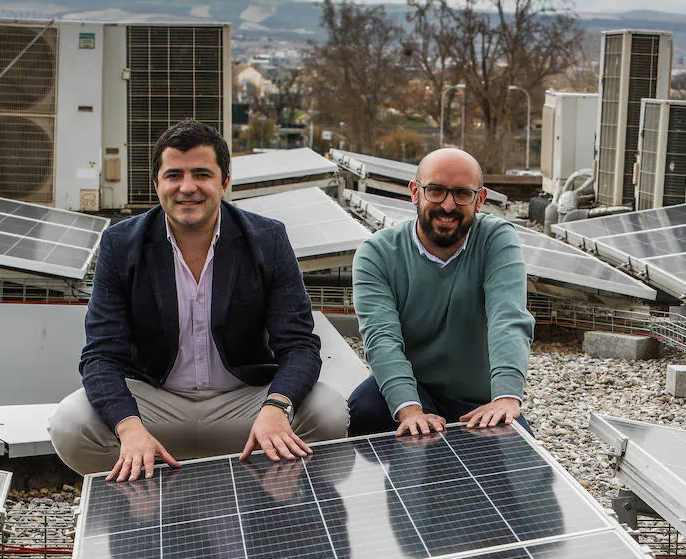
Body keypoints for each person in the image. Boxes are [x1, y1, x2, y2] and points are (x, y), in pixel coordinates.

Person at [49, 119, 348, 480]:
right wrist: (129, 428)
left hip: (244, 400)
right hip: (156, 404)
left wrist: (276, 407)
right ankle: (142, 498)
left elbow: (299, 344)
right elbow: (100, 354)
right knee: (70, 424)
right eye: (174, 175)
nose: (187, 187)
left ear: (224, 183)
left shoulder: (267, 239)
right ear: (157, 183)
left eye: (201, 174)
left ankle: (267, 501)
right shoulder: (121, 243)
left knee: (329, 413)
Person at [348, 147, 535, 438]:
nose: (448, 206)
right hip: (414, 386)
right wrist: (409, 411)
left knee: (524, 465)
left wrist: (506, 397)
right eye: (435, 191)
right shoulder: (377, 254)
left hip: (474, 398)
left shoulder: (495, 239)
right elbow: (381, 338)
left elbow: (508, 318)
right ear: (415, 192)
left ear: (480, 200)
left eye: (462, 194)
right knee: (366, 410)